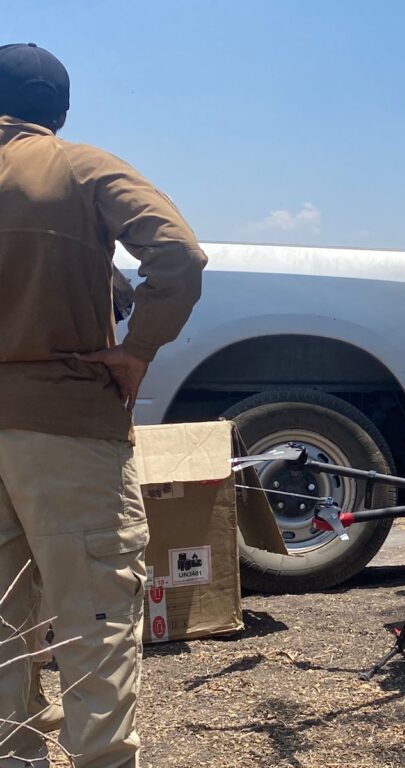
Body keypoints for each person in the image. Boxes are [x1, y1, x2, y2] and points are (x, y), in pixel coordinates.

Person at [0, 43, 207, 765]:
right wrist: (137, 348)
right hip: (67, 428)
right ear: (57, 112)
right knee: (95, 627)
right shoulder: (79, 165)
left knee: (0, 635)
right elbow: (177, 254)